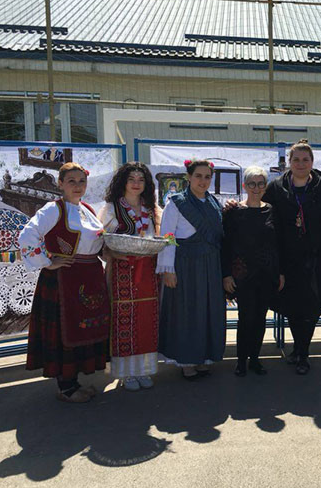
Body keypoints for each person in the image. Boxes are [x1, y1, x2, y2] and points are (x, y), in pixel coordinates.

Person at [19, 162, 109, 403]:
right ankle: (66, 387)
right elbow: (27, 235)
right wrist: (48, 262)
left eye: (81, 181)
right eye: (71, 181)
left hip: (89, 276)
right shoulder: (53, 209)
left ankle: (73, 381)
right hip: (64, 279)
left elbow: (95, 244)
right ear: (60, 184)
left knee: (83, 328)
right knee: (65, 331)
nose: (78, 186)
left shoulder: (87, 209)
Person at [262, 140, 321, 375]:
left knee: (314, 305)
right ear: (289, 162)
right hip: (288, 257)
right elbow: (260, 207)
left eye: (305, 159)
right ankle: (300, 351)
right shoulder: (277, 187)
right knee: (292, 304)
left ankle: (302, 351)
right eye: (296, 159)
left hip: (317, 256)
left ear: (312, 162)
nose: (300, 164)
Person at [157, 159, 226, 380]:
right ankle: (186, 361)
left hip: (210, 264)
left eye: (207, 177)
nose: (202, 181)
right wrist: (168, 269)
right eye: (198, 176)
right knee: (187, 312)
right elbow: (168, 237)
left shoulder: (213, 203)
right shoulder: (176, 203)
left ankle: (203, 357)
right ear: (188, 177)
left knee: (207, 310)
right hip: (186, 265)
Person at [99, 162, 161, 391]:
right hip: (121, 271)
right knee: (123, 319)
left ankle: (143, 369)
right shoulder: (111, 208)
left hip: (148, 270)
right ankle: (126, 373)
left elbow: (159, 236)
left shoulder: (152, 209)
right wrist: (111, 252)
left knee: (146, 319)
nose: (136, 184)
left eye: (141, 180)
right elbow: (100, 238)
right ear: (123, 182)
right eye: (131, 179)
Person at [222, 166, 283, 377]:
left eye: (260, 184)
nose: (256, 188)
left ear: (265, 186)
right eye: (251, 184)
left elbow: (278, 245)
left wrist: (280, 272)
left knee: (260, 319)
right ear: (244, 186)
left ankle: (255, 359)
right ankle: (241, 361)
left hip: (266, 274)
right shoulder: (234, 212)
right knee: (246, 318)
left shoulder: (272, 211)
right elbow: (225, 245)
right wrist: (226, 274)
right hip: (243, 274)